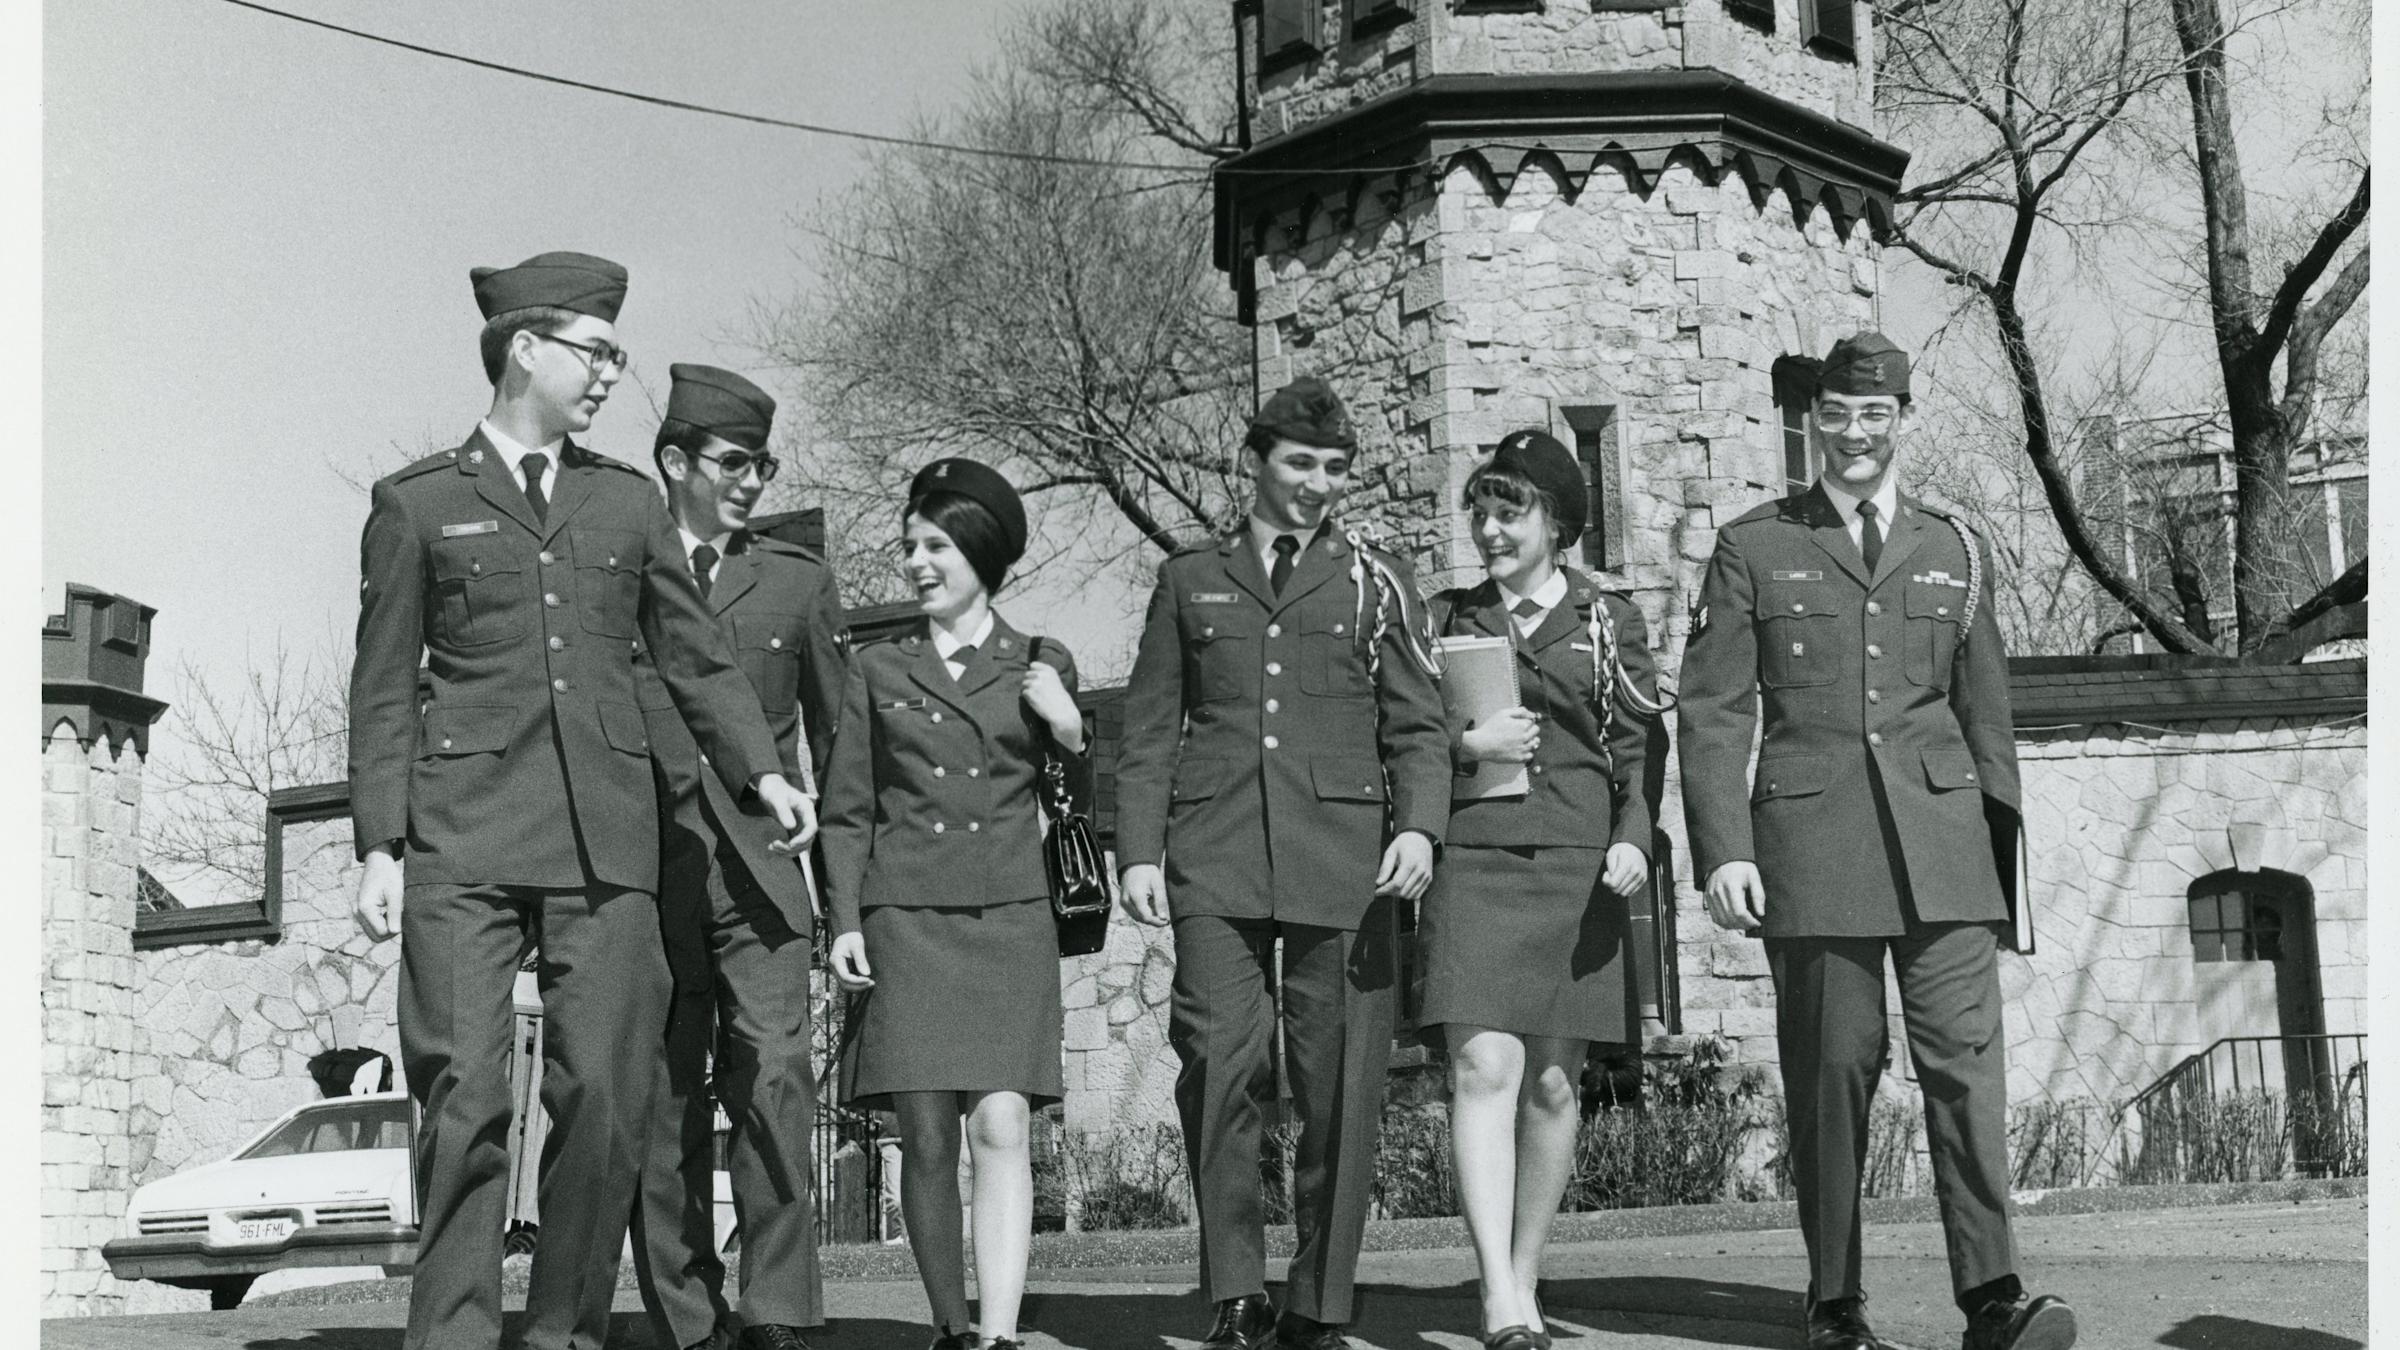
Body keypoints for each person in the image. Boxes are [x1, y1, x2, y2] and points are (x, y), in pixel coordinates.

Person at [346, 251, 818, 1350]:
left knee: (607, 1097)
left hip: (608, 842)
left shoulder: (626, 501)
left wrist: (763, 770)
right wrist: (379, 845)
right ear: (526, 349)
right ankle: (455, 1336)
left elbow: (695, 657)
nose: (613, 372)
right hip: (462, 836)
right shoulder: (418, 504)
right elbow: (382, 684)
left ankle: (560, 1332)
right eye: (596, 352)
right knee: (465, 1096)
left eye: (616, 355)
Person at [1676, 333, 2075, 1350]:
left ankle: (1993, 1296)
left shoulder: (1956, 549)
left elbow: (1987, 725)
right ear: (1813, 421)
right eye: (1838, 415)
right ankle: (1834, 1302)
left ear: (1902, 418)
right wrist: (1724, 849)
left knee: (1966, 1069)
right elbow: (1713, 709)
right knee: (1833, 1074)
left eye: (1875, 414)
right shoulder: (1754, 545)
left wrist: (2006, 877)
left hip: (1946, 853)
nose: (1856, 433)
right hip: (1814, 850)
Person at [1116, 377, 1451, 1350]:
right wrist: (1137, 850)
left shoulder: (1376, 581)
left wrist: (1420, 829)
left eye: (1334, 468)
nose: (1316, 483)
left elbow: (1418, 725)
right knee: (1219, 1069)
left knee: (1342, 1083)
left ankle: (1318, 1303)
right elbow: (1149, 730)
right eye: (1299, 463)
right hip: (1215, 857)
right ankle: (1234, 1294)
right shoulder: (1190, 580)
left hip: (1347, 863)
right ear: (1253, 461)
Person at [819, 458, 1085, 1350]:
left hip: (1007, 918)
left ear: (981, 552)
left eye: (936, 546)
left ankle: (999, 1335)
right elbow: (848, 810)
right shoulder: (875, 669)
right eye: (911, 546)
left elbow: (1075, 805)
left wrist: (1071, 730)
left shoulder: (1040, 661)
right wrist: (844, 921)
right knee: (927, 1138)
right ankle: (951, 1325)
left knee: (1002, 1124)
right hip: (905, 919)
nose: (917, 563)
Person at [1419, 431, 1668, 1350]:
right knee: (1484, 1067)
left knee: (1556, 1085)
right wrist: (1466, 748)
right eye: (1480, 512)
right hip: (1476, 860)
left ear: (1557, 523)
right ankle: (1497, 1291)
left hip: (1576, 866)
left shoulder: (1610, 622)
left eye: (1509, 513)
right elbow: (1404, 737)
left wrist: (1634, 836)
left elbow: (1639, 748)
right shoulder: (1444, 618)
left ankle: (1525, 1271)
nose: (1489, 530)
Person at [628, 365, 850, 1350]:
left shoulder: (797, 583)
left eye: (764, 464)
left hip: (763, 874)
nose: (753, 481)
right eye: (733, 462)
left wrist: (845, 908)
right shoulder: (616, 574)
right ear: (676, 462)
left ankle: (779, 1312)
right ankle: (687, 1316)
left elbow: (840, 753)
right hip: (645, 873)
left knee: (777, 1084)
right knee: (660, 1096)